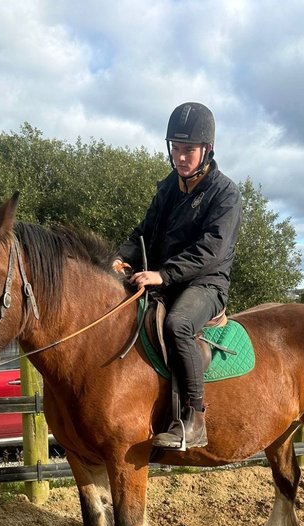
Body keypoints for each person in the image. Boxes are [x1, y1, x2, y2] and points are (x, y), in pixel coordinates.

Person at [116, 101, 243, 450]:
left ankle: (195, 418)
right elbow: (143, 233)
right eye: (175, 148)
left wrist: (162, 274)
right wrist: (119, 258)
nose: (180, 157)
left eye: (188, 150)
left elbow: (211, 251)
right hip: (163, 277)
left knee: (178, 325)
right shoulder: (169, 187)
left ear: (208, 150)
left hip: (206, 283)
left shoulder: (226, 194)